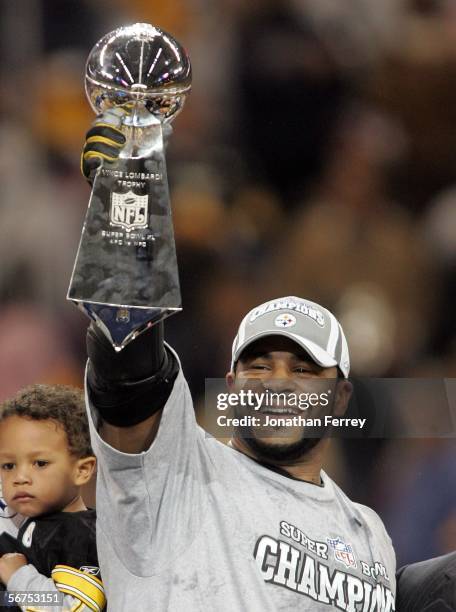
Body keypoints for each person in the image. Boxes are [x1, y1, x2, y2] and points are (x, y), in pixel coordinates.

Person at [81, 119, 396, 611]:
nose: (279, 384)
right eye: (260, 366)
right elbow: (129, 374)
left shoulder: (368, 531)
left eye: (304, 369)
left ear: (340, 397)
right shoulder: (178, 470)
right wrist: (124, 232)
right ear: (231, 386)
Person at [0, 384, 106, 612]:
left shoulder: (81, 535)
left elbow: (77, 607)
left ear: (82, 470)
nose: (19, 478)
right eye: (8, 465)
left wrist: (19, 578)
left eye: (40, 463)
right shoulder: (40, 523)